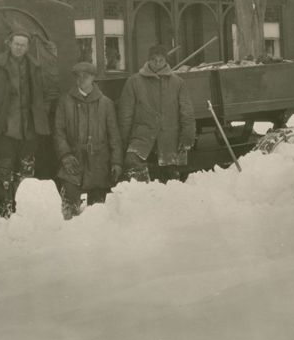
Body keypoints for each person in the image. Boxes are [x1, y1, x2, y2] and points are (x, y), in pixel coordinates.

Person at [0, 31, 54, 217]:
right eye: (16, 44)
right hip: (5, 131)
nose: (19, 48)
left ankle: (25, 214)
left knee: (27, 174)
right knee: (5, 174)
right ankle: (7, 212)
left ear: (28, 47)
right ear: (9, 43)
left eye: (23, 45)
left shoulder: (35, 66)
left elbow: (47, 93)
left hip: (29, 131)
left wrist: (42, 112)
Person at [117, 44, 196, 182]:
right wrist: (124, 141)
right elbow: (125, 114)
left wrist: (187, 136)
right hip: (141, 138)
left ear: (166, 61)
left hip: (169, 139)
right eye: (154, 60)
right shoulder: (134, 82)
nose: (158, 63)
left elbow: (187, 112)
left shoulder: (178, 83)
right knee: (133, 167)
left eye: (161, 60)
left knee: (169, 178)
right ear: (148, 60)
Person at [54, 61, 122, 219]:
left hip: (99, 165)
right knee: (69, 209)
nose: (81, 79)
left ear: (93, 78)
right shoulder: (65, 102)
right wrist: (65, 155)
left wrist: (116, 162)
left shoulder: (106, 104)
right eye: (78, 76)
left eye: (86, 76)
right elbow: (59, 132)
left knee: (97, 213)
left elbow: (114, 136)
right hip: (73, 162)